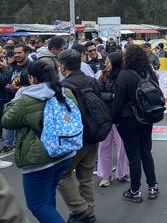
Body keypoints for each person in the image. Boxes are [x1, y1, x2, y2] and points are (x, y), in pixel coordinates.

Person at [1, 59, 77, 223]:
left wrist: (17, 97)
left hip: (40, 159)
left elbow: (7, 121)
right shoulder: (65, 92)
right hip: (65, 152)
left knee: (38, 205)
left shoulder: (26, 99)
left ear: (32, 78)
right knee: (48, 199)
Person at [57, 49, 101, 223]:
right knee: (86, 176)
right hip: (95, 133)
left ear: (62, 65)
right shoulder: (91, 80)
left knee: (62, 175)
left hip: (76, 137)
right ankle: (89, 210)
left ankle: (80, 209)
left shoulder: (65, 86)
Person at [113, 45, 159, 203]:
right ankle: (153, 186)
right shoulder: (149, 73)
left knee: (134, 156)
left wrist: (115, 120)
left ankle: (135, 190)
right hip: (147, 117)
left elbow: (118, 101)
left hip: (128, 119)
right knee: (146, 151)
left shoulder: (124, 75)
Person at [97, 52, 130, 187]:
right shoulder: (102, 77)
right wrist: (111, 96)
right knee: (104, 146)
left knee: (122, 146)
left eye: (108, 61)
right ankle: (105, 175)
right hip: (105, 116)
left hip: (121, 117)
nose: (106, 64)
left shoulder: (124, 76)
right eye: (106, 61)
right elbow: (98, 94)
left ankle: (123, 173)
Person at [1, 44, 31, 155]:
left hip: (25, 102)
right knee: (8, 124)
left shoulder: (31, 67)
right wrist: (8, 85)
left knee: (22, 127)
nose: (16, 55)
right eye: (15, 53)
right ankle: (9, 145)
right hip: (11, 100)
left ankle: (20, 146)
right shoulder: (12, 66)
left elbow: (36, 85)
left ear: (27, 53)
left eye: (19, 53)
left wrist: (18, 88)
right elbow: (7, 81)